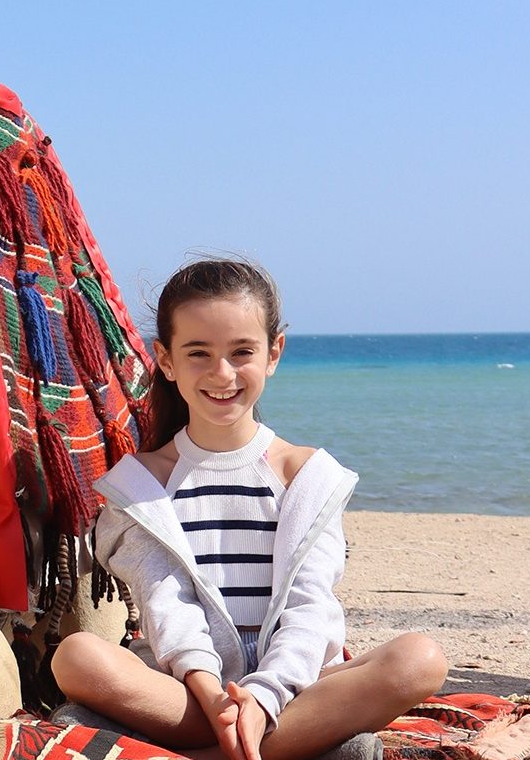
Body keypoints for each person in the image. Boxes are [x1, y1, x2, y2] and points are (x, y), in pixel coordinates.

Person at [51, 259, 447, 760]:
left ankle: (204, 753)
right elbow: (166, 605)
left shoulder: (307, 475)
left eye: (242, 352)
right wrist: (213, 695)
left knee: (420, 660)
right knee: (77, 656)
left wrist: (262, 698)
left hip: (294, 690)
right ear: (166, 360)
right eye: (198, 353)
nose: (222, 374)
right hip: (185, 691)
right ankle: (282, 748)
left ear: (273, 352)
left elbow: (309, 608)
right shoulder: (142, 483)